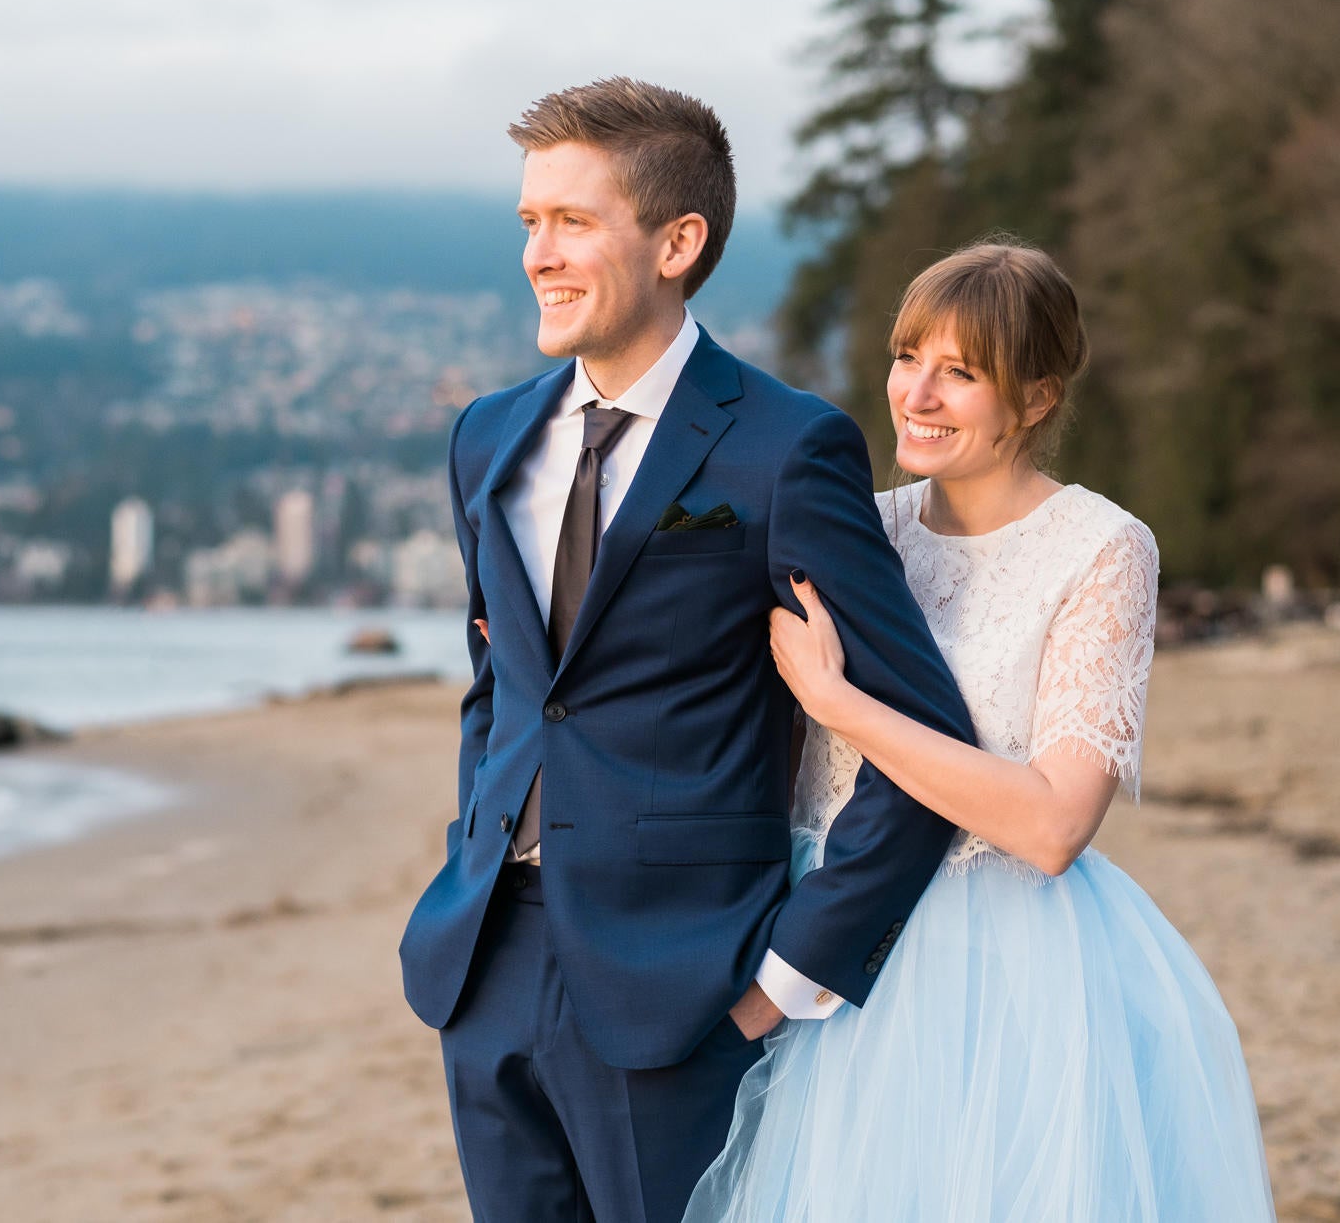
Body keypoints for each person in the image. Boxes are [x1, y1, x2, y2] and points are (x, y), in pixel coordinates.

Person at [397, 75, 978, 1222]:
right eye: (527, 223)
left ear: (677, 241)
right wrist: (474, 847)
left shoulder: (784, 448)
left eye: (572, 222)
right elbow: (500, 690)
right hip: (484, 966)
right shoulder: (486, 437)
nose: (538, 256)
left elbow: (925, 738)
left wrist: (784, 976)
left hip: (683, 983)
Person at [682, 241, 1276, 1221]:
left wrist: (841, 706)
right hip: (817, 931)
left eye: (959, 372)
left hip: (1000, 965)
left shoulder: (1100, 548)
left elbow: (1049, 827)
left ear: (1035, 399)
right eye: (906, 356)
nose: (915, 392)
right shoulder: (853, 528)